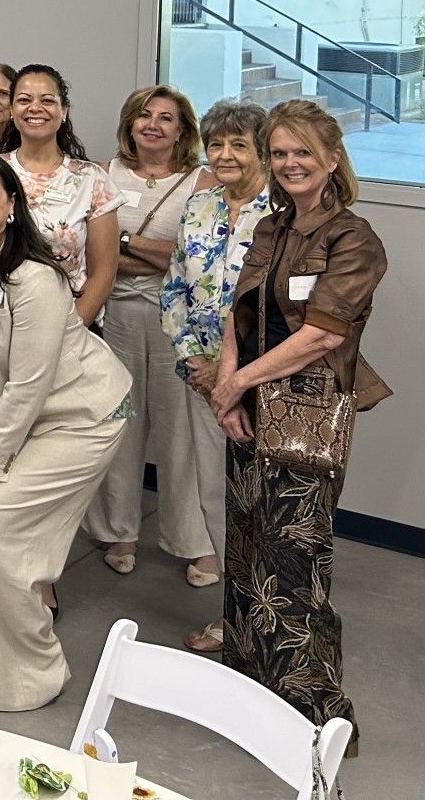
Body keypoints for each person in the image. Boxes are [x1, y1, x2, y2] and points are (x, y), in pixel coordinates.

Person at [209, 100, 387, 755]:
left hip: (306, 415)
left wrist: (240, 381)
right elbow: (241, 309)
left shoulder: (354, 239)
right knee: (247, 553)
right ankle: (250, 691)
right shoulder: (272, 226)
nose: (288, 164)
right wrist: (228, 384)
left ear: (331, 158)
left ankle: (319, 720)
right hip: (250, 406)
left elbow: (321, 334)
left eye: (301, 153)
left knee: (295, 566)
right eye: (279, 153)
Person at [0, 152, 131, 712]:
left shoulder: (35, 278)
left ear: (13, 207)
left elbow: (29, 385)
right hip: (23, 421)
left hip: (82, 417)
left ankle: (29, 673)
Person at [85, 86, 215, 583]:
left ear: (182, 130)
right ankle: (120, 530)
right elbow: (92, 254)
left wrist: (122, 242)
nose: (154, 125)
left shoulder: (200, 181)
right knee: (120, 423)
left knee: (179, 431)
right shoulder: (104, 175)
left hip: (175, 320)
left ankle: (194, 542)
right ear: (130, 123)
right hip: (111, 313)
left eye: (166, 118)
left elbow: (192, 258)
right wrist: (153, 251)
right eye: (144, 115)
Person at [161, 100, 273, 653]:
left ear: (262, 151)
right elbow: (174, 287)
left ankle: (269, 621)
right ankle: (233, 617)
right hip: (203, 379)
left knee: (264, 505)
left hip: (264, 384)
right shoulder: (200, 205)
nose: (225, 155)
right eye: (217, 143)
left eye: (239, 145)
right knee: (215, 497)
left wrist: (237, 376)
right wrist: (194, 361)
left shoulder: (282, 214)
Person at [0, 63, 120, 327]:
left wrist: (68, 333)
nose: (35, 108)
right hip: (0, 324)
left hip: (71, 325)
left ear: (63, 111)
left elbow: (104, 275)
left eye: (47, 100)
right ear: (11, 111)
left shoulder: (91, 179)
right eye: (24, 100)